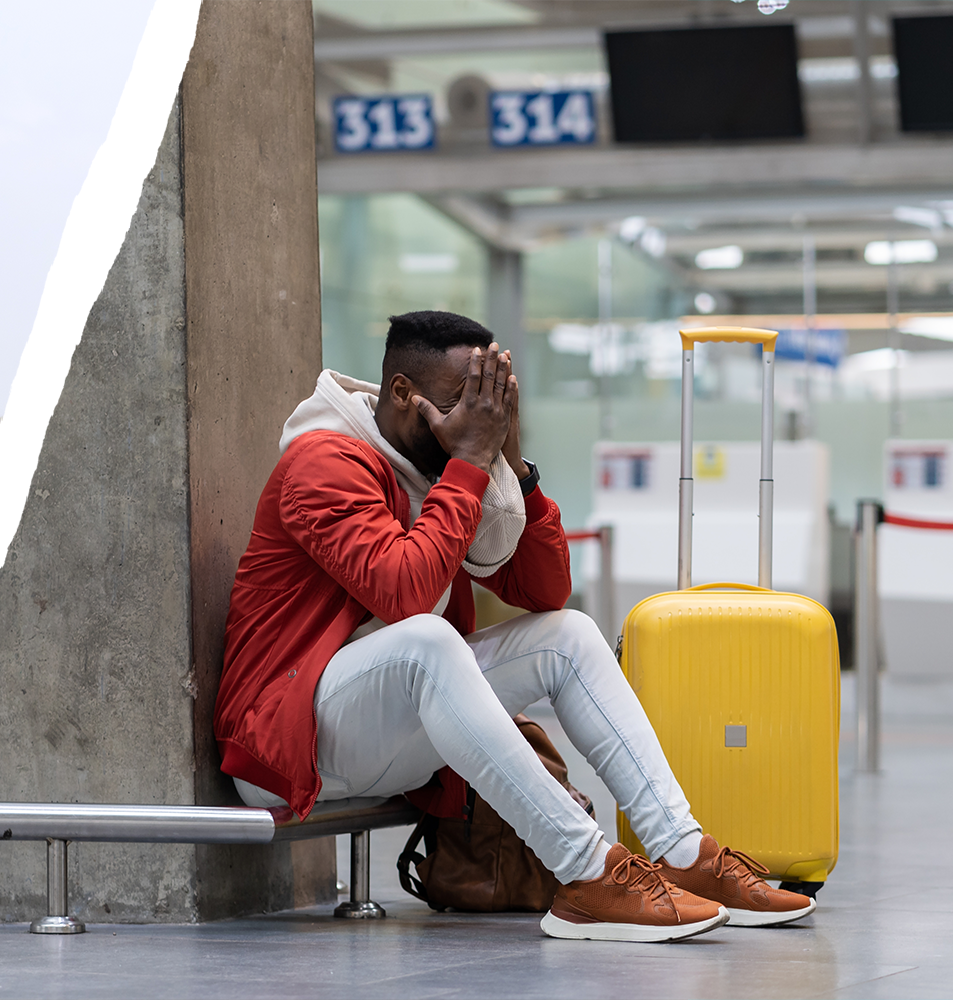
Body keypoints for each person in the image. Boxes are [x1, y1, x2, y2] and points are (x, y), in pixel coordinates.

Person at [214, 310, 813, 942]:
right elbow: (404, 593)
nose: (478, 418)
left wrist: (515, 466)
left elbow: (542, 590)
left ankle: (686, 853)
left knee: (569, 634)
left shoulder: (445, 467)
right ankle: (587, 874)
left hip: (383, 735)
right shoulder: (324, 462)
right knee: (429, 640)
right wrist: (471, 459)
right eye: (460, 402)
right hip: (288, 740)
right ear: (400, 393)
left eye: (490, 404)